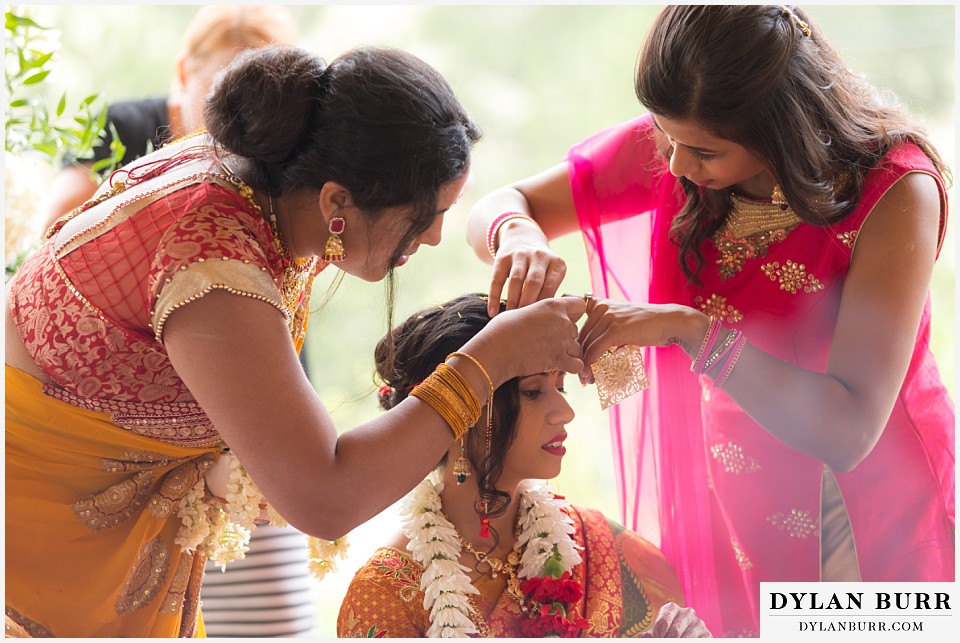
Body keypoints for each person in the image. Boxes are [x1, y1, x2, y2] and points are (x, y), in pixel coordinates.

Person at [5, 45, 586, 638]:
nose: (436, 237)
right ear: (336, 200)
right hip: (46, 531)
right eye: (421, 216)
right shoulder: (213, 265)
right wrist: (490, 360)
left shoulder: (269, 188)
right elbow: (324, 498)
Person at [465, 5, 954, 637]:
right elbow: (504, 204)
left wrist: (688, 330)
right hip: (733, 499)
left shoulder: (893, 191)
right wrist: (517, 233)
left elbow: (849, 429)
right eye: (666, 140)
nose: (672, 166)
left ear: (780, 127)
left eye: (701, 151)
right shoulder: (687, 141)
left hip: (863, 513)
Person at [337, 294, 712, 638]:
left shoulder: (599, 547)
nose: (565, 413)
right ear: (460, 411)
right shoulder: (387, 591)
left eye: (560, 387)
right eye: (532, 392)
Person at [42, 5, 298, 228]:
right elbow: (53, 231)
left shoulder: (270, 162)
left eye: (259, 99)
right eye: (221, 88)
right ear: (184, 72)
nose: (239, 112)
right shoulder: (119, 128)